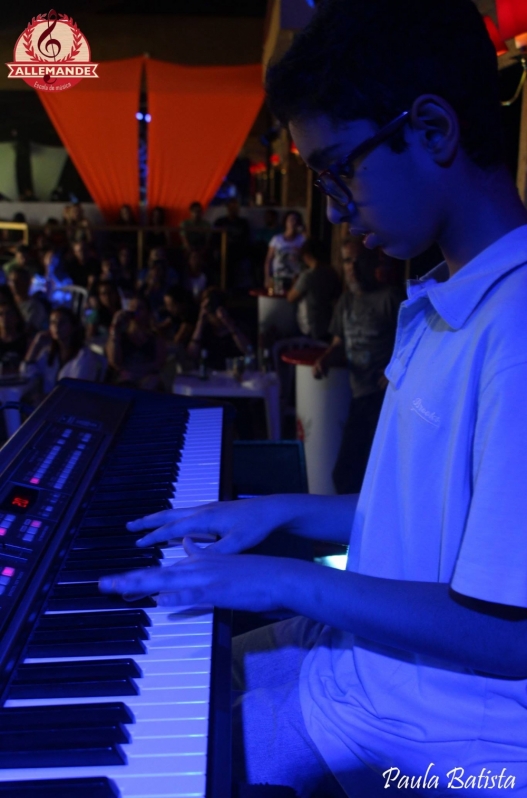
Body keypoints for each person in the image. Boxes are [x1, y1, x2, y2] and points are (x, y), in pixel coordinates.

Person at [100, 1, 527, 796]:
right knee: (163, 656)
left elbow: (507, 635)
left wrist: (284, 578)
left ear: (431, 131)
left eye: (338, 169)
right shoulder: (450, 293)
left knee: (139, 755)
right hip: (365, 677)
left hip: (429, 737)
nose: (330, 205)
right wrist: (286, 514)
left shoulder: (517, 328)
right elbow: (445, 524)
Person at [313, 237, 402, 492]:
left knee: (353, 475)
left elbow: (416, 343)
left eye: (358, 260)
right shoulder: (345, 302)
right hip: (358, 394)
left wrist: (396, 369)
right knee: (351, 476)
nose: (352, 267)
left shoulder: (390, 298)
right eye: (347, 261)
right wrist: (325, 358)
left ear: (372, 261)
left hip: (383, 397)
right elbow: (339, 342)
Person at [21, 306, 102, 397]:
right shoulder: (48, 353)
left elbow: (77, 391)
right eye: (53, 322)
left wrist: (44, 399)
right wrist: (36, 344)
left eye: (62, 322)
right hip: (48, 406)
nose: (57, 326)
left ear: (73, 326)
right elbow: (26, 374)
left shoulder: (84, 356)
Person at [106, 296, 166, 390]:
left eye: (140, 308)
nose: (135, 310)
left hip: (147, 377)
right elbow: (114, 362)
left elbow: (159, 363)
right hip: (125, 378)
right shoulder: (120, 335)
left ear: (148, 312)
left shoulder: (155, 337)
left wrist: (137, 371)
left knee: (153, 382)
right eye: (132, 307)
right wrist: (115, 326)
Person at [287, 238, 341, 341]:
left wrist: (294, 282)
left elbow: (291, 298)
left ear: (307, 255)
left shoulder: (307, 276)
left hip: (311, 326)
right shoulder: (332, 272)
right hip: (328, 324)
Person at [187, 287, 251, 371]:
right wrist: (200, 322)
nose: (215, 318)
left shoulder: (237, 325)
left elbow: (248, 350)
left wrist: (228, 323)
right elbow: (191, 355)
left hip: (234, 373)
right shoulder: (204, 329)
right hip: (210, 375)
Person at [264, 210, 306, 291]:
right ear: (285, 222)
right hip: (278, 276)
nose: (293, 222)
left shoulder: (302, 239)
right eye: (291, 220)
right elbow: (268, 260)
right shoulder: (277, 239)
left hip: (295, 277)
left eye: (296, 220)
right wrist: (267, 278)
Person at [8, 266, 49, 336]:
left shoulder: (36, 307)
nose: (14, 284)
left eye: (18, 281)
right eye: (11, 281)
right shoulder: (7, 305)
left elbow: (28, 330)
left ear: (28, 282)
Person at [0, 302, 28, 374]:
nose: (5, 317)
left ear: (16, 317)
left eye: (9, 313)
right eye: (1, 314)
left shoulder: (26, 341)